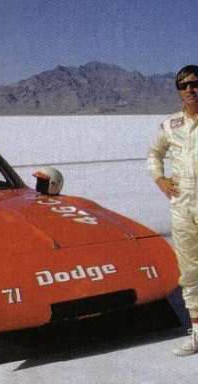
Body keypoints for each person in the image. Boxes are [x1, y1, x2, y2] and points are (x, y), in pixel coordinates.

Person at [147, 64, 198, 356]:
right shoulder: (171, 125)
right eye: (183, 86)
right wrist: (160, 179)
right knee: (190, 272)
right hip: (182, 204)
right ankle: (197, 333)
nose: (190, 89)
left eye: (195, 83)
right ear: (178, 92)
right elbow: (154, 153)